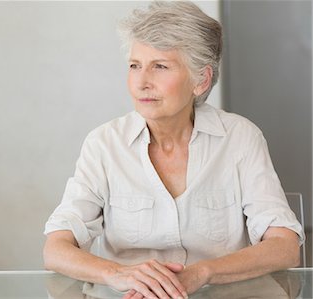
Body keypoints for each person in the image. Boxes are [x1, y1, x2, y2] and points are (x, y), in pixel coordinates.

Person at [43, 1, 305, 299]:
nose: (141, 83)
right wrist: (118, 274)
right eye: (134, 66)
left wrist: (202, 272)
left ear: (201, 80)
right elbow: (56, 249)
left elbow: (284, 247)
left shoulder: (240, 138)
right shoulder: (104, 144)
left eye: (160, 66)